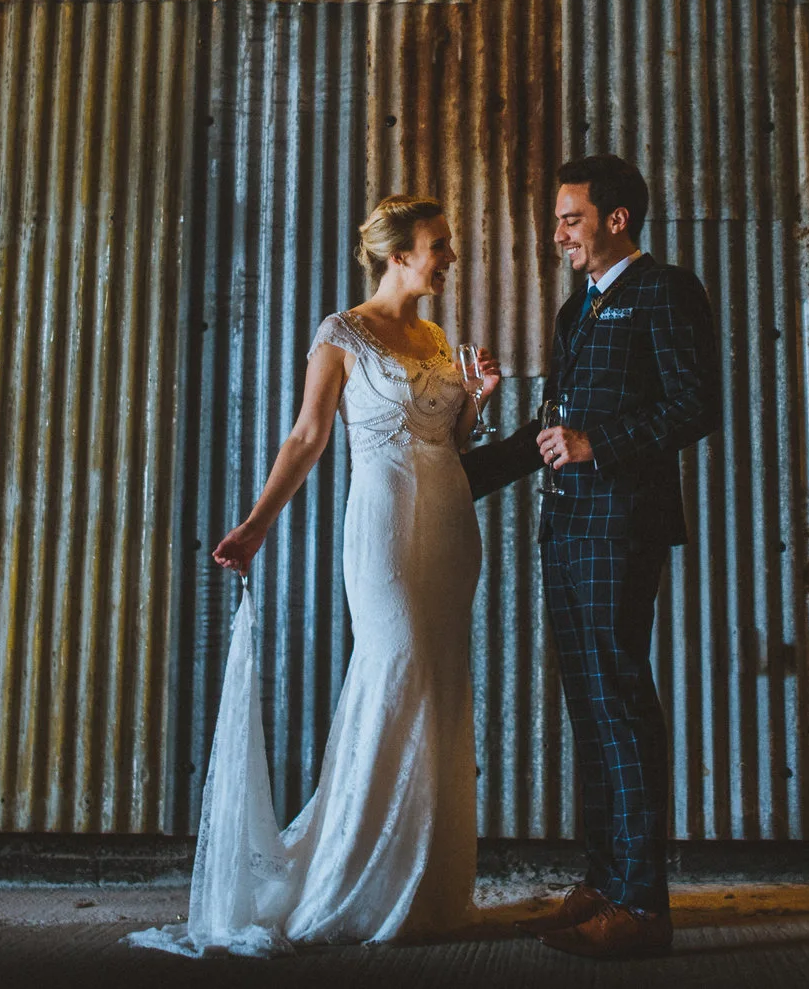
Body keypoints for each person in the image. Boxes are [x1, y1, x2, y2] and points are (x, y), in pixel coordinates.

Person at [131, 196, 498, 956]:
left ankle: (426, 884)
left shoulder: (433, 335)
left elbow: (451, 439)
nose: (449, 257)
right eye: (438, 245)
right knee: (393, 667)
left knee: (441, 678)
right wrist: (257, 524)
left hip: (452, 524)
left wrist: (480, 402)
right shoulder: (341, 333)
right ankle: (346, 879)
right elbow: (307, 434)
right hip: (384, 521)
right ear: (398, 254)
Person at [462, 155, 722, 960]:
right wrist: (450, 475)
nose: (558, 233)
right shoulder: (577, 310)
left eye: (570, 218)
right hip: (565, 530)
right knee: (591, 715)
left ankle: (643, 906)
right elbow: (548, 436)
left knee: (621, 710)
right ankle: (603, 885)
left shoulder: (668, 289)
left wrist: (598, 442)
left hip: (621, 527)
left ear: (616, 219)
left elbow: (697, 403)